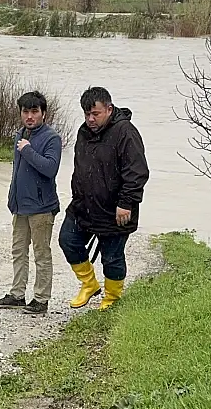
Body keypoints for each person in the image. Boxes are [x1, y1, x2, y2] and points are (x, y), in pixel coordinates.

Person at [59, 87, 149, 311]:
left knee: (112, 257)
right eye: (86, 114)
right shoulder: (83, 132)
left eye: (95, 114)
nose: (90, 119)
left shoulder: (126, 132)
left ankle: (112, 298)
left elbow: (137, 172)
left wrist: (126, 203)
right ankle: (89, 284)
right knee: (68, 240)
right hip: (83, 205)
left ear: (109, 109)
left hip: (116, 209)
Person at [0, 91, 62, 315]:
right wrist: (12, 198)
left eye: (34, 111)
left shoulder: (52, 138)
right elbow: (17, 171)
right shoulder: (20, 134)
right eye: (25, 111)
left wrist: (28, 150)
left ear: (43, 113)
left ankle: (41, 299)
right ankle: (17, 294)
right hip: (20, 206)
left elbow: (50, 168)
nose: (29, 116)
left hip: (42, 208)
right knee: (18, 251)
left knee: (41, 253)